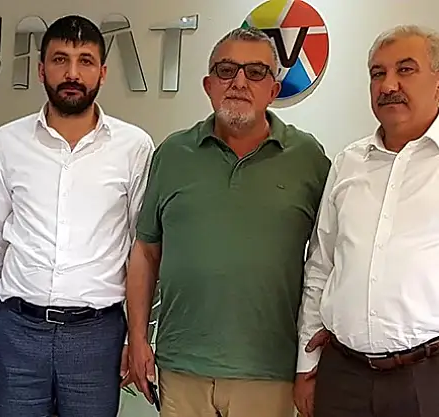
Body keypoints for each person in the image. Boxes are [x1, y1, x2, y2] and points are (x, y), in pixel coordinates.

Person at [126, 27, 331, 417]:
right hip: (181, 368)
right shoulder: (173, 153)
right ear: (208, 85)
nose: (239, 82)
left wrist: (316, 358)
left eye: (255, 72)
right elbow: (146, 252)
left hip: (269, 371)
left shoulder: (308, 159)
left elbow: (329, 259)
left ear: (273, 89)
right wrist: (136, 338)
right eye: (226, 70)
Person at [0, 14, 154, 417]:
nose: (72, 73)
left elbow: (142, 250)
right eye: (60, 60)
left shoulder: (134, 146)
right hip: (17, 331)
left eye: (85, 61)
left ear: (103, 73)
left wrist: (136, 335)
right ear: (41, 70)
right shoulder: (7, 141)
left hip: (98, 335)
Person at [295, 24, 439, 417]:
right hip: (343, 375)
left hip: (426, 377)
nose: (388, 85)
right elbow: (321, 264)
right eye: (378, 73)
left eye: (405, 69)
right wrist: (306, 365)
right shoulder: (349, 162)